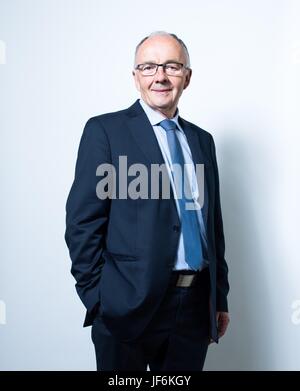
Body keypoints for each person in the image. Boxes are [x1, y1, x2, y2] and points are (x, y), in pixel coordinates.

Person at [65, 31, 230, 371]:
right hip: (128, 306)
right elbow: (83, 222)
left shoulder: (202, 140)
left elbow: (212, 224)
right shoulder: (106, 132)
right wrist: (99, 298)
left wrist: (219, 296)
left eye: (171, 65)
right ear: (135, 76)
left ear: (187, 76)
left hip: (195, 307)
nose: (160, 76)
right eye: (149, 66)